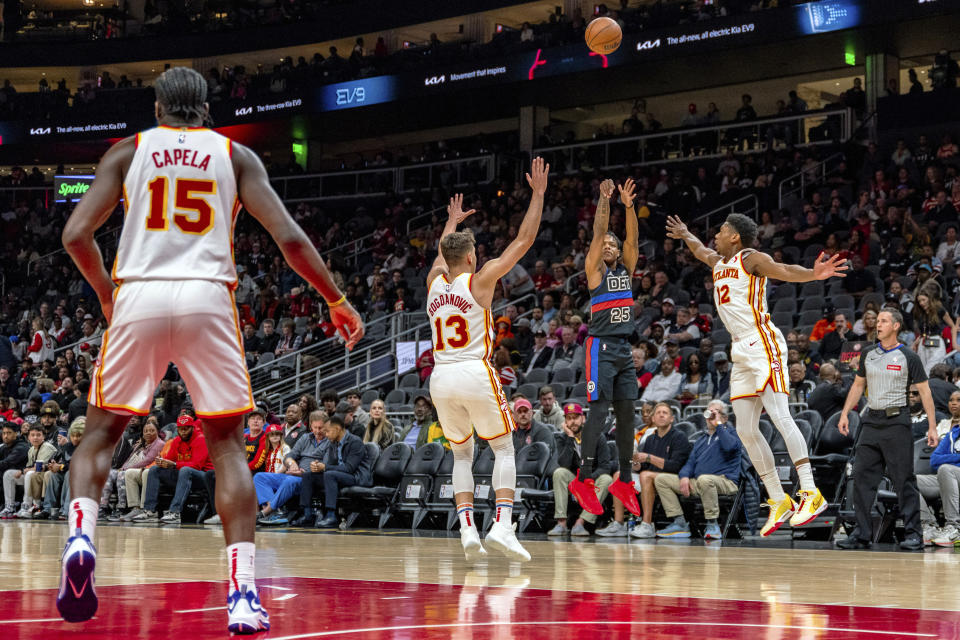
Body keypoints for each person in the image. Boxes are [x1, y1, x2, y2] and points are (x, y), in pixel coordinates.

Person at [56, 67, 364, 632]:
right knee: (226, 445)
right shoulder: (235, 157)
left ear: (156, 109)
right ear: (205, 109)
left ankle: (81, 537)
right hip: (207, 297)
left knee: (100, 432)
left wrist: (106, 293)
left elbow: (75, 234)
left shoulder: (128, 152)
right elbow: (291, 238)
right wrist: (335, 298)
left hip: (139, 294)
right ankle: (243, 594)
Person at [667, 213, 847, 536]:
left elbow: (785, 271)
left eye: (722, 231)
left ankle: (810, 492)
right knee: (746, 430)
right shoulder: (719, 262)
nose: (716, 236)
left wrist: (814, 274)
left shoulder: (750, 258)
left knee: (779, 414)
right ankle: (778, 499)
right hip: (740, 349)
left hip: (762, 341)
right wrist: (684, 234)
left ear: (736, 237)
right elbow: (699, 250)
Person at [426, 158, 548, 565]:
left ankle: (466, 530)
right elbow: (524, 240)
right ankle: (502, 524)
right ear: (473, 258)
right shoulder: (479, 281)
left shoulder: (432, 283)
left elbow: (443, 254)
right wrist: (538, 195)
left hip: (440, 377)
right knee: (504, 449)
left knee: (461, 455)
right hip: (473, 371)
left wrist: (451, 222)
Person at [568, 178, 644, 520]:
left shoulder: (627, 269)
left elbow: (633, 239)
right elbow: (599, 233)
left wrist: (628, 206)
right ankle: (584, 479)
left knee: (627, 411)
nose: (611, 245)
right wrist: (605, 201)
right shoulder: (595, 271)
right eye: (607, 244)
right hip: (599, 347)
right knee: (598, 411)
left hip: (624, 349)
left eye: (614, 243)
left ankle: (625, 481)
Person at [835, 310, 937, 551]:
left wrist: (932, 426)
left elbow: (925, 392)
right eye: (877, 321)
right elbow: (859, 385)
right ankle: (861, 534)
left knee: (904, 481)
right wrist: (844, 413)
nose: (878, 325)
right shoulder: (868, 354)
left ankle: (913, 534)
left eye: (883, 321)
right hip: (871, 422)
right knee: (861, 478)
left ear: (896, 326)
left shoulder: (908, 356)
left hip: (897, 422)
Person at [653, 400, 741, 539]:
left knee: (704, 479)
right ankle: (680, 523)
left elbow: (729, 446)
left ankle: (712, 524)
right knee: (661, 479)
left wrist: (718, 425)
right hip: (699, 482)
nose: (711, 417)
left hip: (725, 481)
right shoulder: (701, 440)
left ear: (724, 417)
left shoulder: (733, 434)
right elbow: (690, 462)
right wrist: (684, 477)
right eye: (709, 413)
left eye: (716, 413)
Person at [548, 403, 615, 537]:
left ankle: (581, 522)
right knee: (559, 473)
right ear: (565, 421)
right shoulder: (562, 438)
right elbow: (563, 464)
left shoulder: (597, 437)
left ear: (583, 419)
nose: (573, 421)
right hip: (575, 481)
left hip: (592, 480)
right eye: (569, 418)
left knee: (607, 479)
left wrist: (586, 479)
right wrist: (570, 439)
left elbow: (605, 467)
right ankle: (561, 523)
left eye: (576, 417)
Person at [628, 402, 692, 539]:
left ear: (672, 419)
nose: (661, 415)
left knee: (645, 476)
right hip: (651, 477)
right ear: (653, 419)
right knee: (618, 475)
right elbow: (645, 467)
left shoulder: (679, 437)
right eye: (658, 413)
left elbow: (676, 466)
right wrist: (636, 464)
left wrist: (649, 458)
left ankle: (647, 524)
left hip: (675, 479)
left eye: (665, 413)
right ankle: (619, 523)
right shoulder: (650, 439)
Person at [294, 416, 366, 528]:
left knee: (329, 474)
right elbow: (329, 464)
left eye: (327, 431)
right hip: (337, 476)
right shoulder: (333, 443)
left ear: (337, 429)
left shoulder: (355, 442)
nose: (325, 435)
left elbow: (349, 468)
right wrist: (317, 465)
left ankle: (331, 515)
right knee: (308, 475)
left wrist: (325, 467)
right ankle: (307, 514)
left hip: (356, 477)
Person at [253, 424, 295, 525]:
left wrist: (275, 475)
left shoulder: (285, 448)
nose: (275, 436)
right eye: (272, 435)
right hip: (272, 478)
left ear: (281, 436)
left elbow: (286, 465)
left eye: (277, 434)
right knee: (259, 483)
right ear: (268, 437)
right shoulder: (269, 451)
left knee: (260, 478)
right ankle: (268, 512)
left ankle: (272, 511)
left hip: (283, 476)